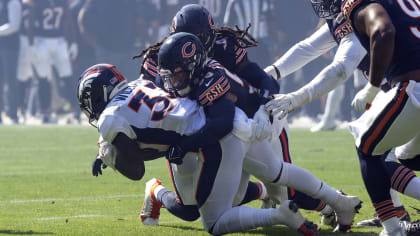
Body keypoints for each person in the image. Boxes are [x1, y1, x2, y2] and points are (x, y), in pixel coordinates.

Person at [135, 4, 339, 225]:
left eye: (195, 39)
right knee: (193, 209)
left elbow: (265, 80)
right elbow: (146, 105)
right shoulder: (160, 58)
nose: (189, 46)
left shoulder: (225, 46)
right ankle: (155, 190)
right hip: (199, 131)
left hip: (249, 122)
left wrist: (263, 109)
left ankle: (331, 204)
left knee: (285, 193)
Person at [77, 63, 320, 235]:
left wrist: (110, 155)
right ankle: (324, 201)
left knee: (213, 212)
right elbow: (153, 137)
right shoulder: (139, 84)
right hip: (202, 133)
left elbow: (135, 170)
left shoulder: (110, 117)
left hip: (202, 137)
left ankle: (288, 204)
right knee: (192, 209)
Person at [156, 32, 363, 234]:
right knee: (278, 172)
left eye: (179, 75)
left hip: (248, 126)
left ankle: (295, 212)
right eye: (169, 77)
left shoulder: (211, 77)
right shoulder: (198, 71)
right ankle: (339, 202)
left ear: (194, 65)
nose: (173, 83)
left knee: (223, 215)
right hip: (246, 126)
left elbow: (222, 123)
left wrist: (184, 146)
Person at [267, 0, 420, 235]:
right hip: (403, 85)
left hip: (409, 87)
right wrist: (272, 72)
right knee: (404, 155)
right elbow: (308, 47)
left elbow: (342, 67)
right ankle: (397, 214)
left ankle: (394, 226)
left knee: (370, 148)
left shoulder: (358, 7)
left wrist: (296, 98)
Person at [26, 0, 77, 123]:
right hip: (42, 40)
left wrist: (73, 42)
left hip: (59, 41)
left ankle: (76, 109)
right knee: (43, 78)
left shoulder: (62, 2)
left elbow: (68, 21)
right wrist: (31, 44)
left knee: (66, 76)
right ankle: (44, 111)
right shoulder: (37, 3)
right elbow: (31, 22)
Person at [0, 0, 22, 124]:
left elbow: (14, 25)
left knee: (10, 80)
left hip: (10, 47)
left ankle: (13, 113)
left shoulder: (13, 2)